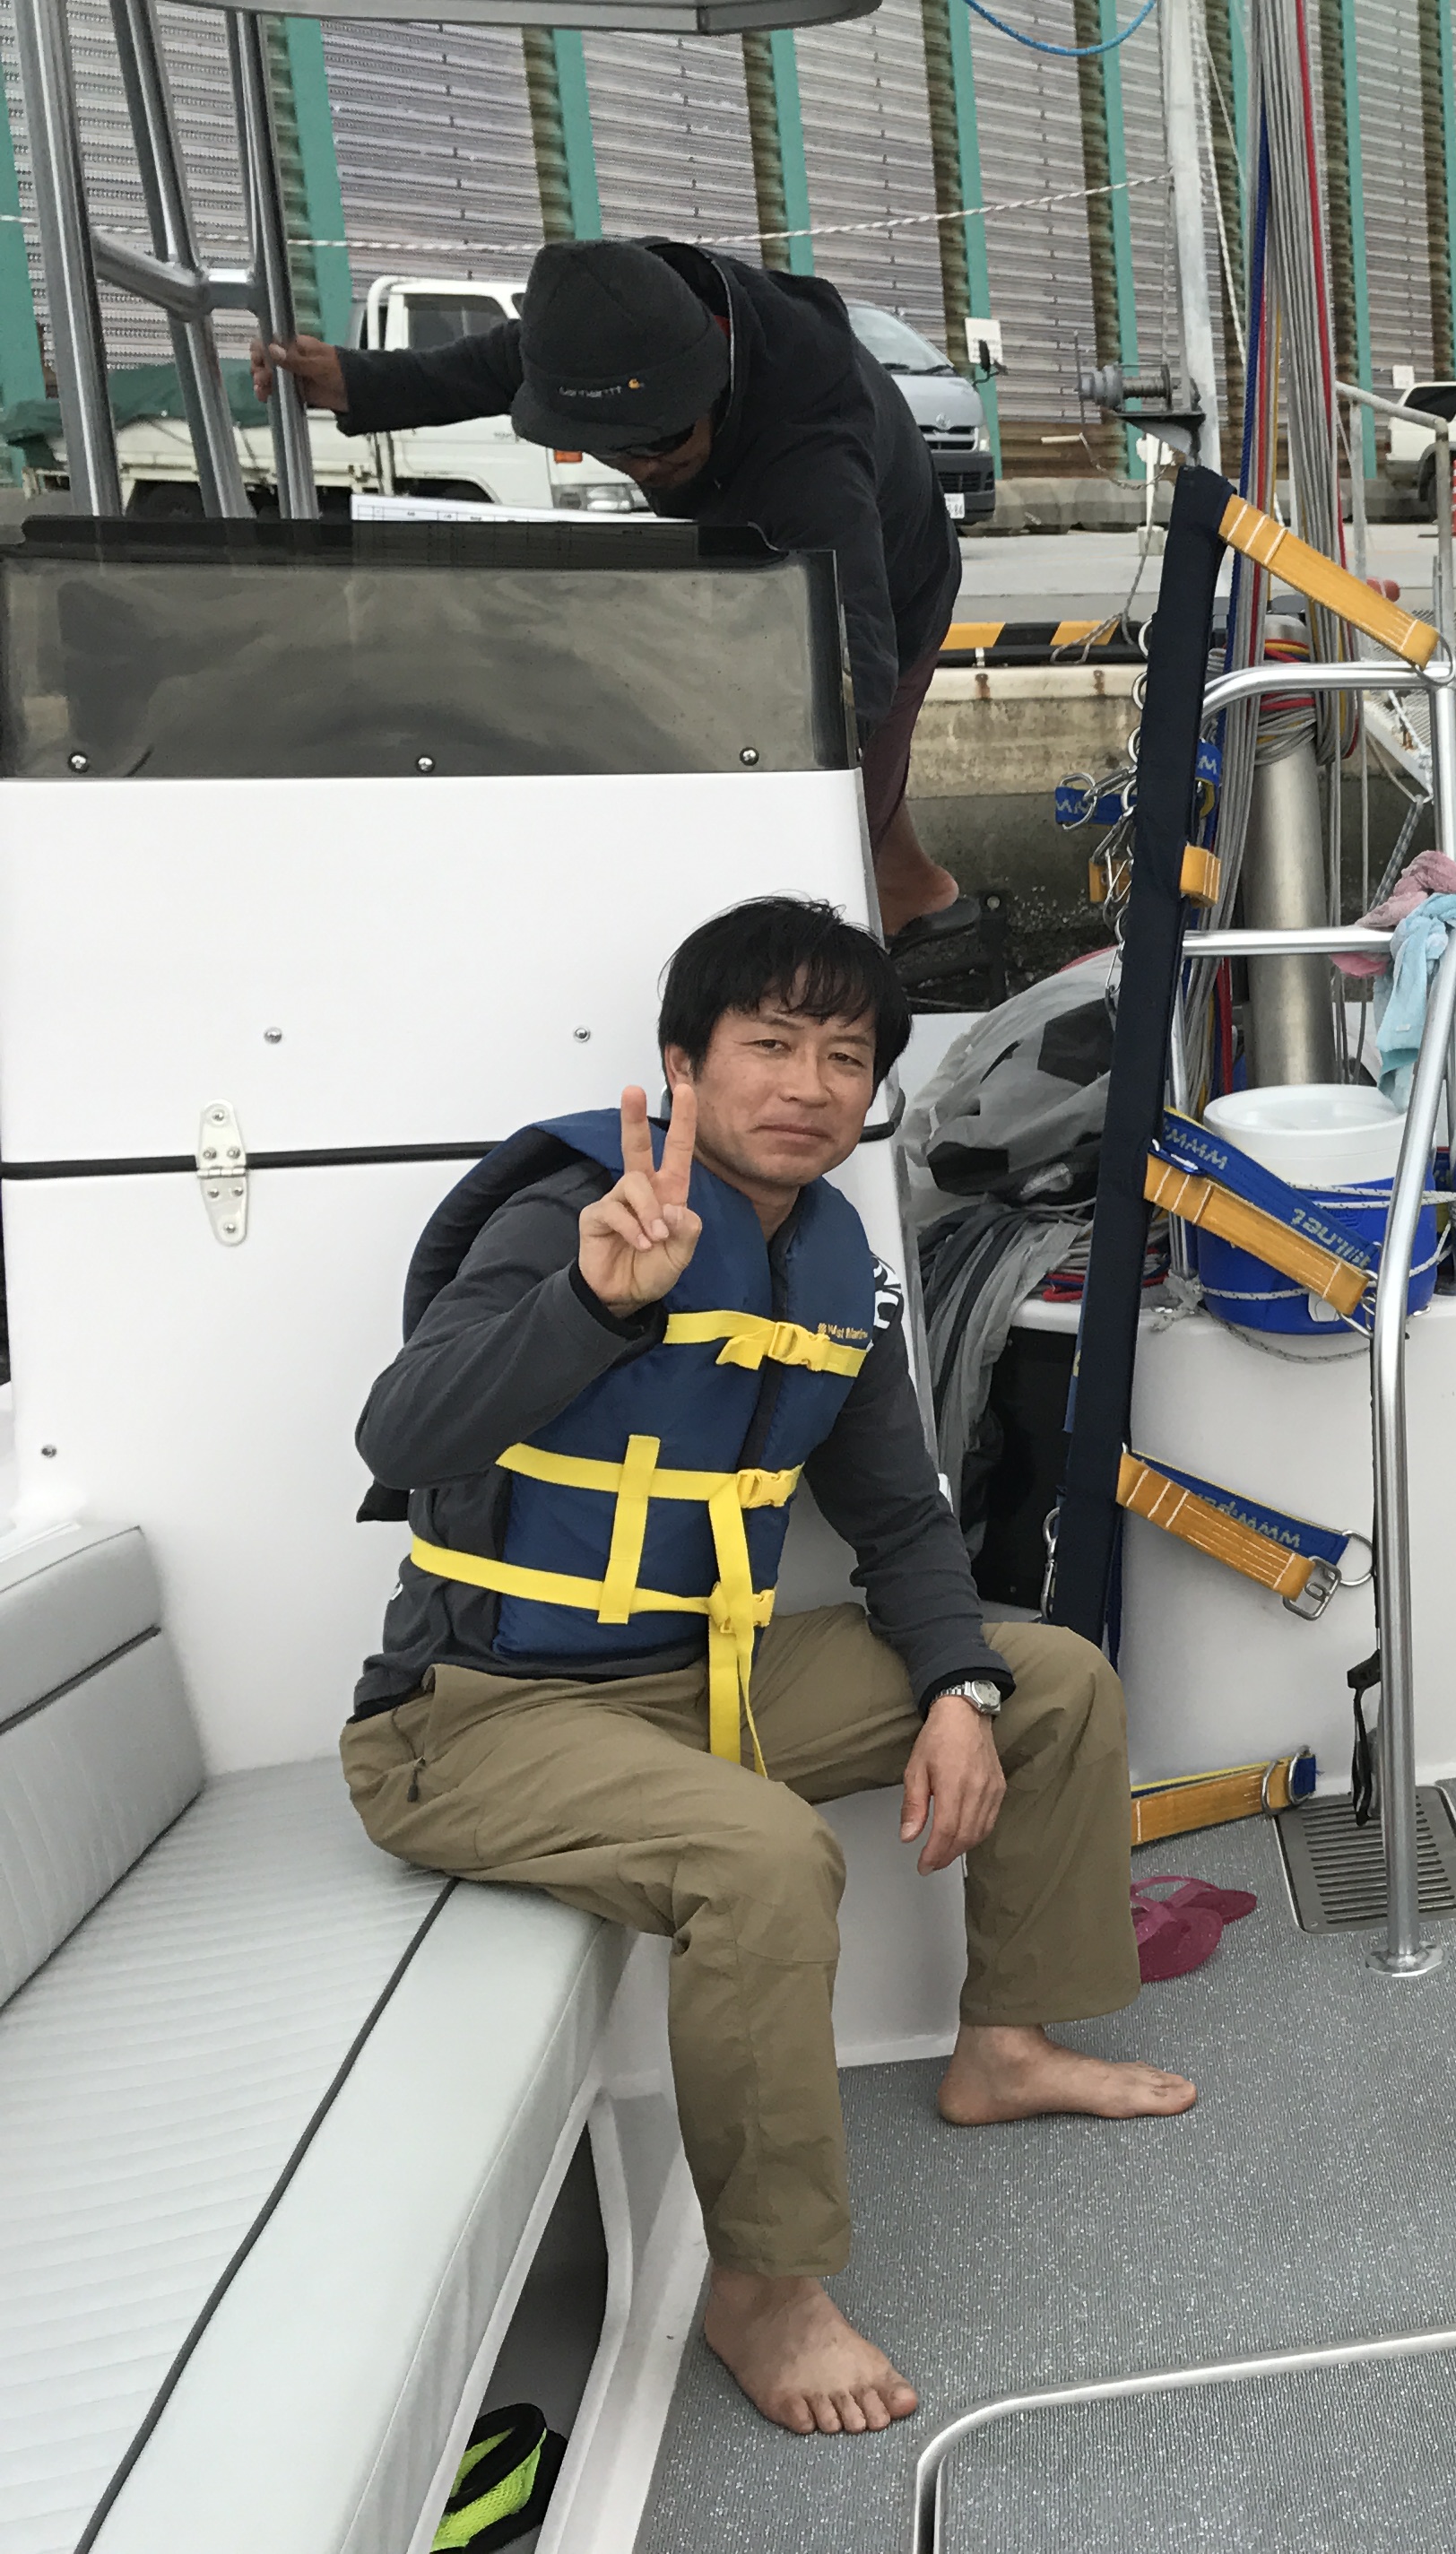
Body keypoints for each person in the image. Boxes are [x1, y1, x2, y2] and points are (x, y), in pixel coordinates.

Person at [338, 898, 1191, 2439]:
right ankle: (767, 2287)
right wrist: (594, 1304)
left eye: (845, 1057)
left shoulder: (831, 1258)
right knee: (764, 1856)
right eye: (770, 1044)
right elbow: (401, 1431)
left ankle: (1006, 2044)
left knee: (1050, 1678)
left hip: (698, 1678)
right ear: (684, 1063)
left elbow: (898, 1514)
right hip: (474, 1717)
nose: (809, 1084)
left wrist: (957, 1690)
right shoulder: (574, 1213)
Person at [251, 239, 974, 949]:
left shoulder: (811, 449)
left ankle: (875, 936)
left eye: (662, 441)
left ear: (710, 381)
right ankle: (915, 891)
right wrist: (354, 380)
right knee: (848, 814)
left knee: (830, 835)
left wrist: (757, 796)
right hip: (743, 564)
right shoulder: (607, 320)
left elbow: (854, 669)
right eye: (615, 448)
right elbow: (494, 365)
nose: (643, 468)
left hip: (894, 588)